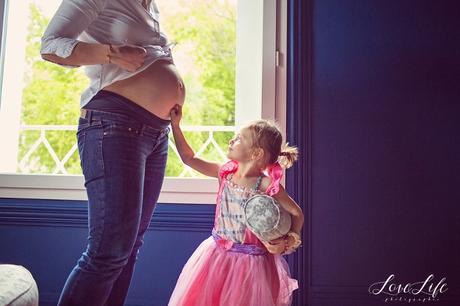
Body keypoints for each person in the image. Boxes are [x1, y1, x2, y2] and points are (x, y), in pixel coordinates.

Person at [40, 1, 185, 305]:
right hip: (114, 126)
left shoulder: (151, 7)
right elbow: (50, 45)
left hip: (156, 134)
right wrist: (109, 53)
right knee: (108, 251)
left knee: (129, 248)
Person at [167, 104, 304, 306]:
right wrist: (175, 126)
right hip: (216, 258)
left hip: (252, 267)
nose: (232, 140)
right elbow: (189, 158)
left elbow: (296, 212)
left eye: (239, 138)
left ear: (256, 153)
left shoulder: (266, 184)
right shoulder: (224, 173)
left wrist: (287, 241)